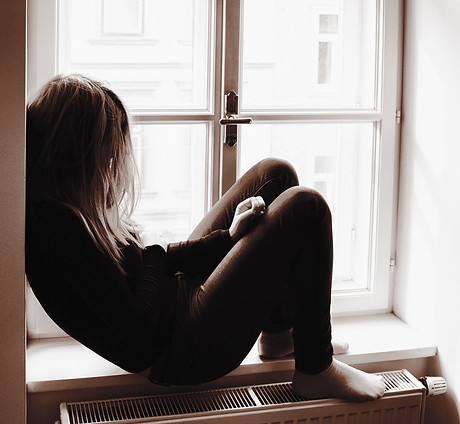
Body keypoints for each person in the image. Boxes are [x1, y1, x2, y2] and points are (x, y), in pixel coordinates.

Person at [26, 74, 385, 402]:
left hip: (179, 301)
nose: (112, 165)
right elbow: (139, 327)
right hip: (181, 349)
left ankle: (279, 335)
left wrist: (228, 238)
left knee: (274, 174)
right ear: (76, 156)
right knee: (307, 207)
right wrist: (152, 250)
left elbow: (153, 266)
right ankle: (315, 368)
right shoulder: (56, 230)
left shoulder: (67, 208)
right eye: (106, 154)